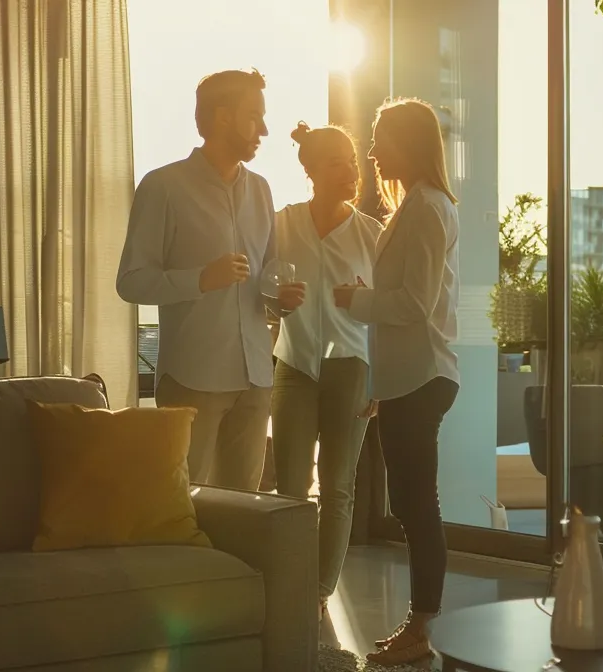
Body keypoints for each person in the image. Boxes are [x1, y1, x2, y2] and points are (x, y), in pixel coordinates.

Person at [117, 69, 305, 489]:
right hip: (192, 379)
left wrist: (281, 298)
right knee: (182, 507)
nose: (266, 129)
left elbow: (266, 275)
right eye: (254, 116)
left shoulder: (261, 189)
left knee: (244, 515)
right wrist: (201, 278)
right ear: (222, 117)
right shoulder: (163, 186)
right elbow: (130, 281)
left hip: (255, 377)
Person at [333, 99, 460, 666]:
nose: (372, 148)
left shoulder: (428, 209)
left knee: (416, 506)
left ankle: (423, 627)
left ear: (409, 142)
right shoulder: (412, 206)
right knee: (411, 505)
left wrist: (355, 299)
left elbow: (415, 304)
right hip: (408, 377)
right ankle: (421, 624)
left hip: (425, 375)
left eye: (380, 136)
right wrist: (382, 387)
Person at [270, 122, 383, 619]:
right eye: (336, 162)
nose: (350, 172)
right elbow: (257, 289)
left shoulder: (371, 234)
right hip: (293, 363)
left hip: (351, 367)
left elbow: (386, 313)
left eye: (353, 161)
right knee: (290, 487)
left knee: (338, 485)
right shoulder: (280, 224)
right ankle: (286, 580)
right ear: (311, 170)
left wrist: (381, 378)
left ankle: (318, 591)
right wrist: (275, 301)